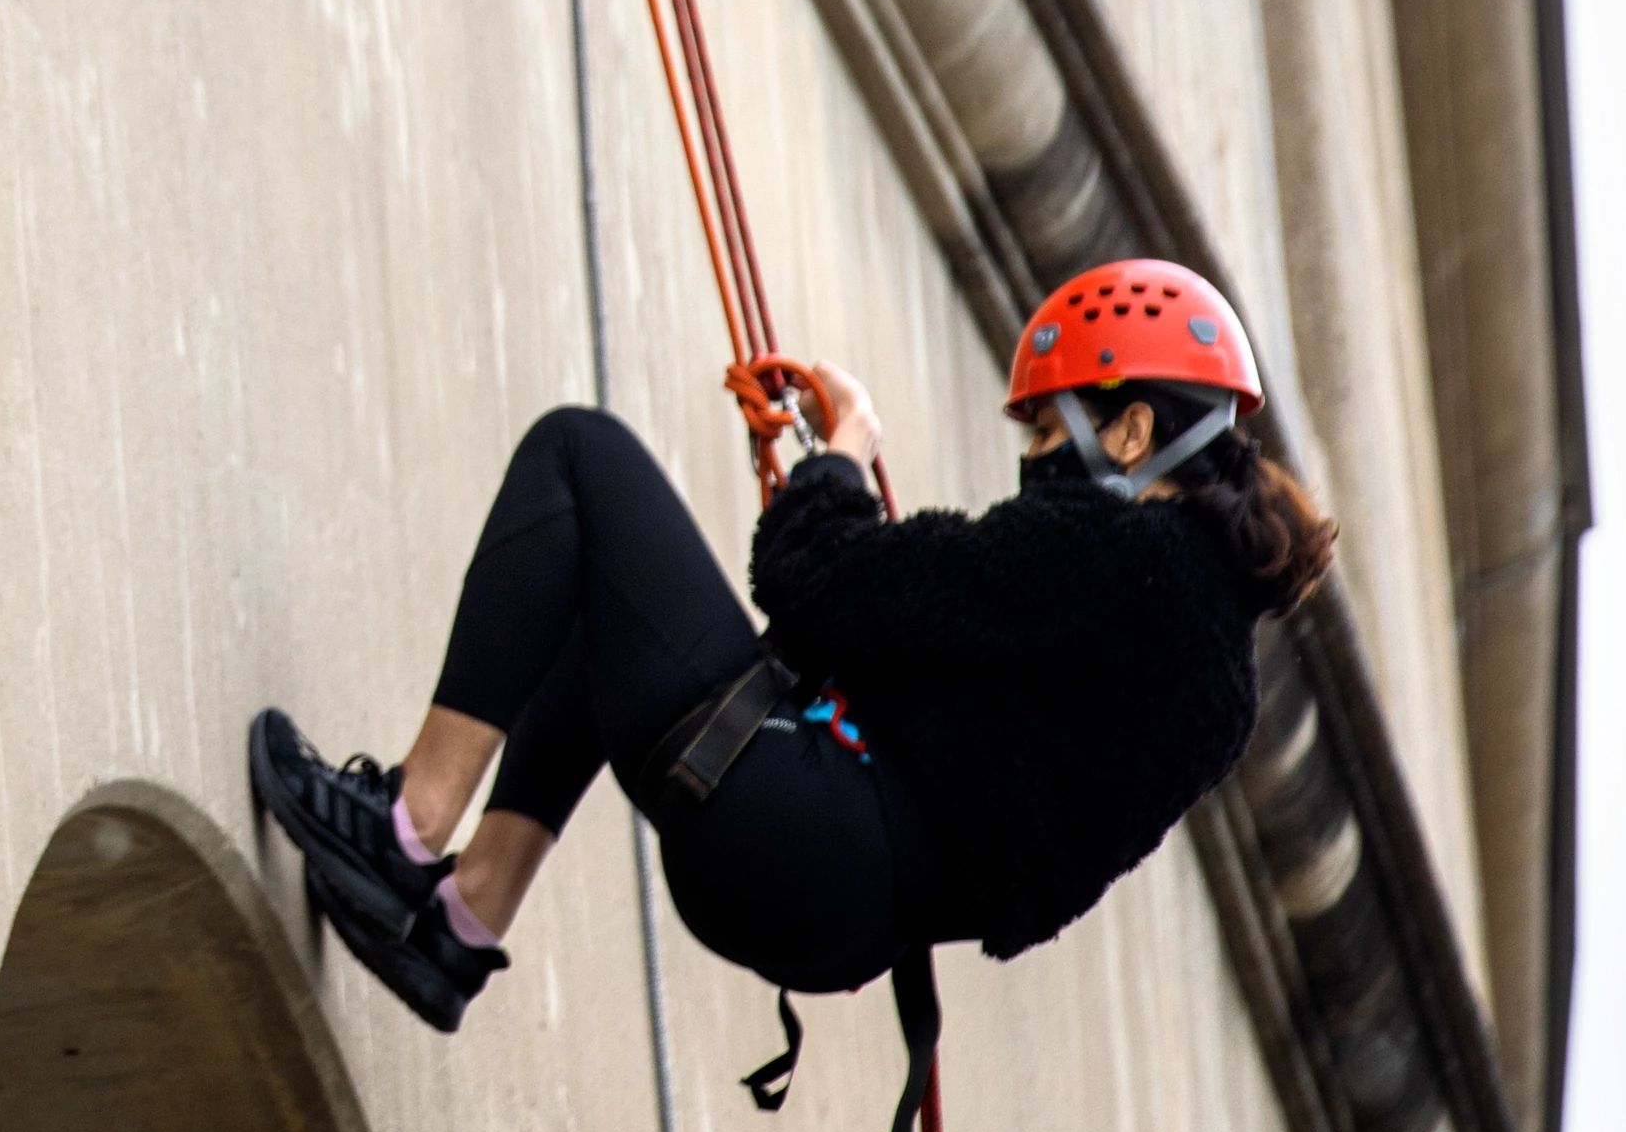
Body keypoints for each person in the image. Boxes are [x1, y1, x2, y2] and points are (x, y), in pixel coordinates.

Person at [248, 262, 1338, 1037]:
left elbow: (813, 577)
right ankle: (459, 922)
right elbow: (915, 660)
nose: (1035, 460)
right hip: (838, 920)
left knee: (577, 453)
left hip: (795, 820)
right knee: (599, 591)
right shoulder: (1213, 680)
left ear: (1133, 430)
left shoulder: (1119, 553)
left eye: (1051, 430)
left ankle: (406, 825)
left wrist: (841, 456)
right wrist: (835, 497)